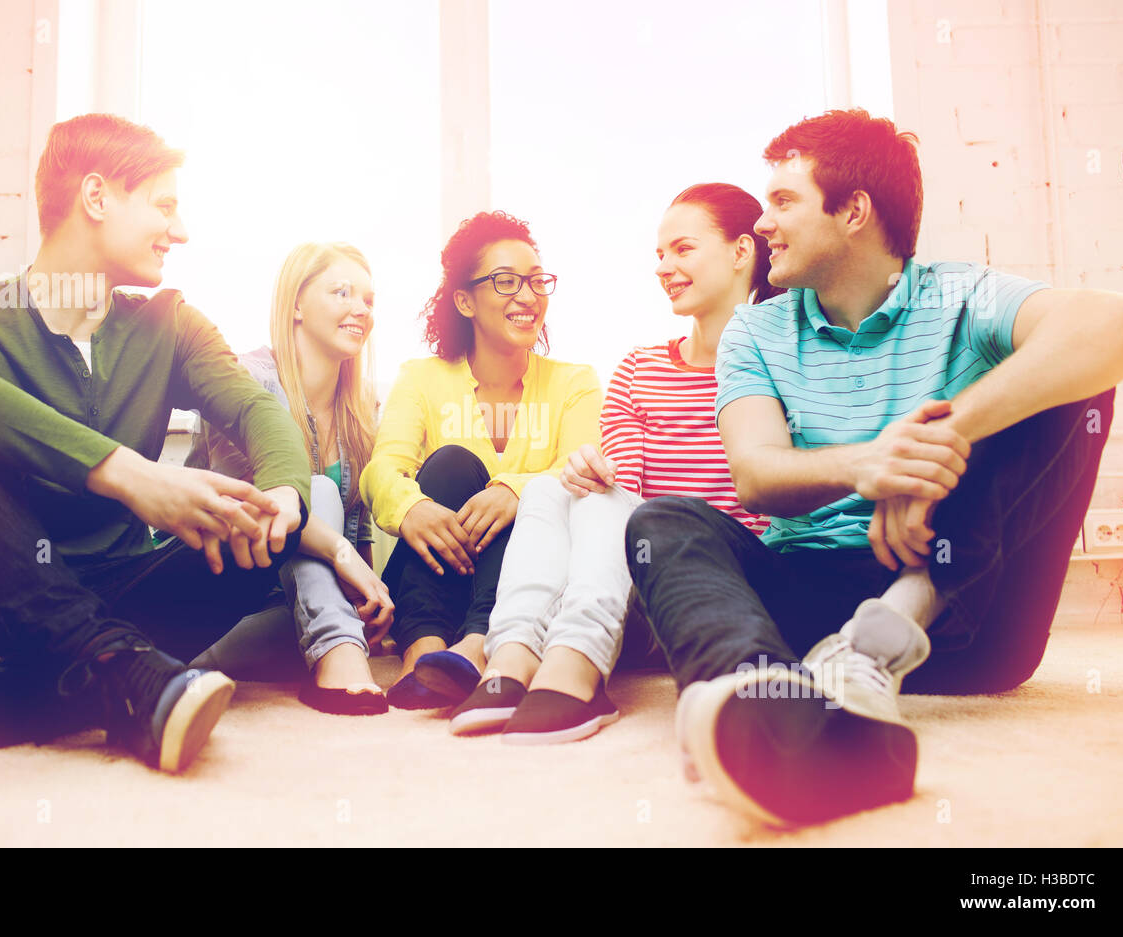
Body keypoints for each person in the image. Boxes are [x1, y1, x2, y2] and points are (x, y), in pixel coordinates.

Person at [618, 108, 1123, 827]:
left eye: (783, 201)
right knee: (663, 520)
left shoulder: (963, 294)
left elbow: (1118, 325)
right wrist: (871, 465)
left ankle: (883, 636)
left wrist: (935, 442)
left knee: (1070, 381)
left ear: (854, 211)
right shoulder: (756, 329)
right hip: (806, 608)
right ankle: (765, 705)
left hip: (960, 615)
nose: (763, 223)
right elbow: (755, 473)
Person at [0, 113, 312, 773]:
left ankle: (4, 699)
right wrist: (126, 473)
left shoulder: (170, 325)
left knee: (255, 538)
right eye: (164, 206)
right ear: (96, 196)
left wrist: (285, 491)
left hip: (112, 593)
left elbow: (253, 404)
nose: (182, 230)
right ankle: (125, 668)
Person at [449, 184, 777, 743]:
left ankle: (576, 664)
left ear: (742, 251)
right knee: (554, 491)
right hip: (630, 588)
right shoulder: (638, 368)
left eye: (682, 249)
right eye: (659, 255)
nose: (664, 267)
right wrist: (587, 472)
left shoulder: (782, 361)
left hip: (720, 585)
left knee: (604, 501)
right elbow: (619, 488)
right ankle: (513, 658)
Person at [360, 211, 602, 709]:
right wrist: (411, 508)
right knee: (449, 463)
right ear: (465, 300)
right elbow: (382, 470)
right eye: (507, 281)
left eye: (537, 281)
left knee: (534, 500)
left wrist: (513, 489)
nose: (529, 296)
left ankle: (475, 649)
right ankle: (423, 653)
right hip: (441, 571)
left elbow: (584, 466)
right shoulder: (421, 377)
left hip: (528, 583)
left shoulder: (575, 381)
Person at [188, 243, 393, 715]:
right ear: (296, 304)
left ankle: (337, 643)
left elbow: (356, 534)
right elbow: (249, 506)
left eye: (368, 299)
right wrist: (341, 553)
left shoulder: (360, 412)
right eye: (342, 292)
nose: (360, 309)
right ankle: (337, 652)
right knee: (311, 490)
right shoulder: (244, 380)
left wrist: (369, 603)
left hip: (294, 607)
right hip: (222, 587)